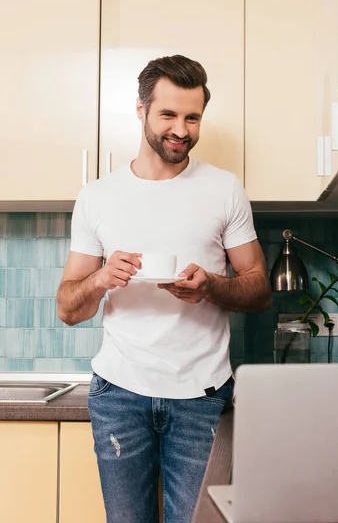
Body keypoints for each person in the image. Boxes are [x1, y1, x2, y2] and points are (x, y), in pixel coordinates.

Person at [57, 54, 272, 523]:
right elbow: (68, 307)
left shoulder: (224, 189)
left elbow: (259, 290)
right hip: (119, 396)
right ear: (141, 111)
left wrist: (211, 287)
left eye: (192, 117)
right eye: (168, 115)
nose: (181, 129)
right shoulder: (97, 197)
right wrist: (100, 278)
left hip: (202, 397)